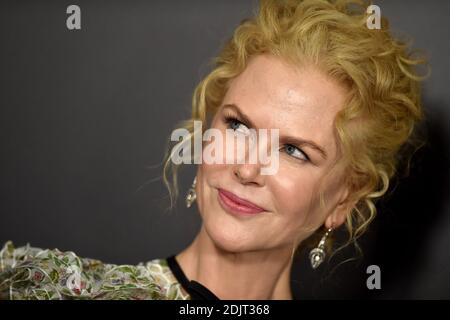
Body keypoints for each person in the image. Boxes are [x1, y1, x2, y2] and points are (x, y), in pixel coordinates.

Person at [0, 0, 427, 300]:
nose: (246, 168)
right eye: (238, 125)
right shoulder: (41, 286)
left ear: (344, 198)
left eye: (294, 151)